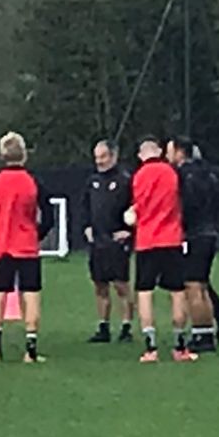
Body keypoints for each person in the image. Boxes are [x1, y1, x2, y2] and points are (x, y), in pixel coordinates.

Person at [0, 131, 53, 363]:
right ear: (24, 154)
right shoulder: (33, 181)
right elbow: (49, 215)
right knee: (31, 296)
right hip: (27, 247)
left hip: (3, 246)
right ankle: (30, 351)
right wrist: (36, 234)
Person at [129, 138, 193, 363]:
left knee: (145, 292)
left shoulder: (138, 176)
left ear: (141, 155)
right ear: (158, 151)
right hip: (171, 239)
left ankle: (151, 347)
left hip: (147, 240)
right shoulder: (171, 173)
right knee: (177, 291)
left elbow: (138, 208)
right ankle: (179, 346)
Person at [169, 136, 219, 353]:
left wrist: (182, 226)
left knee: (192, 286)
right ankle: (208, 333)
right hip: (210, 231)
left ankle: (201, 335)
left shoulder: (183, 176)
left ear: (179, 152)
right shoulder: (209, 175)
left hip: (194, 234)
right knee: (202, 285)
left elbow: (187, 204)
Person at [79, 140, 134, 344]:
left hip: (117, 242)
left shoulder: (125, 180)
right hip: (97, 241)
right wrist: (86, 227)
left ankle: (126, 327)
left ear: (113, 156)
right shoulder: (91, 181)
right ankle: (103, 327)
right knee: (99, 285)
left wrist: (128, 231)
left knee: (121, 285)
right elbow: (84, 207)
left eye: (103, 157)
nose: (99, 162)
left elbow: (136, 208)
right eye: (96, 157)